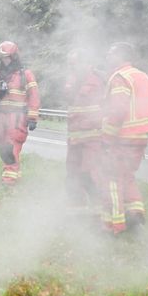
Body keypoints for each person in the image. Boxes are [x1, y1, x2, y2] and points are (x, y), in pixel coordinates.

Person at [100, 42, 148, 234]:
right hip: (140, 137)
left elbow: (118, 110)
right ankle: (136, 216)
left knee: (112, 178)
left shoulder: (120, 77)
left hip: (122, 137)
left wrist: (106, 137)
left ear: (121, 56)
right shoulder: (142, 76)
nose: (107, 57)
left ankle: (114, 225)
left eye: (110, 54)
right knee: (128, 176)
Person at [0, 41, 40, 185]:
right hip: (2, 117)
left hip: (17, 117)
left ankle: (9, 181)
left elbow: (34, 96)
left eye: (6, 57)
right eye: (2, 58)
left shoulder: (26, 75)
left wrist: (32, 117)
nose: (4, 61)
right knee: (3, 149)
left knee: (11, 148)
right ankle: (15, 176)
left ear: (14, 57)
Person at [63, 49, 105, 207]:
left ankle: (99, 206)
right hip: (74, 136)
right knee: (72, 174)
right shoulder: (72, 79)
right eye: (70, 65)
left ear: (87, 64)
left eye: (74, 64)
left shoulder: (98, 80)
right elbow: (70, 100)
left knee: (90, 173)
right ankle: (77, 206)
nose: (72, 68)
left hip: (93, 137)